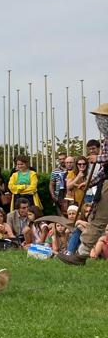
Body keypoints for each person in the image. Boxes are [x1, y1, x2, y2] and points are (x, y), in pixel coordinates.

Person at [58, 103, 108, 265]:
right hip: (106, 183)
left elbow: (104, 163)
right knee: (96, 218)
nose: (98, 122)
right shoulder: (106, 140)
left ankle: (81, 255)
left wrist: (98, 158)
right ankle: (81, 254)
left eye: (101, 118)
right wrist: (88, 183)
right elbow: (105, 171)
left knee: (98, 219)